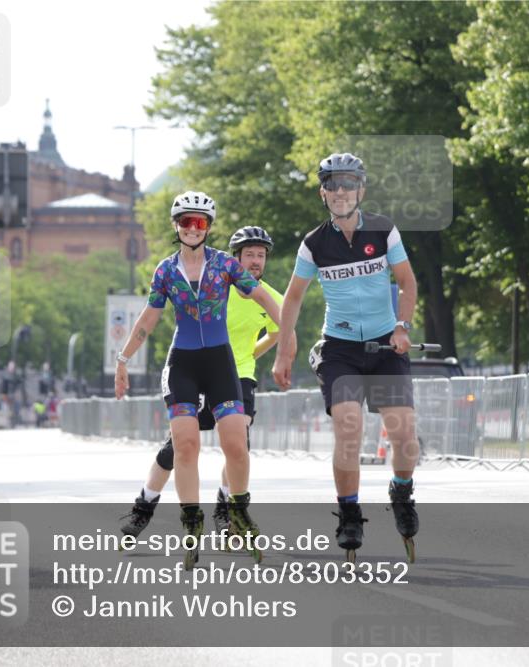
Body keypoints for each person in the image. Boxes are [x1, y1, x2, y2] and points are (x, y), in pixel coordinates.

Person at [115, 192, 281, 568]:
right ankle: (192, 522)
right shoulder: (166, 271)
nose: (193, 228)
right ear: (176, 226)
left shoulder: (224, 264)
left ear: (208, 227)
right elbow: (147, 321)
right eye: (186, 221)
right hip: (184, 363)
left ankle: (238, 510)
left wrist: (285, 337)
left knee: (237, 444)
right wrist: (122, 360)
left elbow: (265, 300)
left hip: (221, 363)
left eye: (200, 222)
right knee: (185, 446)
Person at [272, 153, 421, 562]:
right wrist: (285, 350)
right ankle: (350, 513)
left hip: (386, 344)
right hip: (340, 349)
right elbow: (294, 297)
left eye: (348, 184)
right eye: (332, 185)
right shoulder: (314, 244)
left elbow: (407, 282)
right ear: (323, 193)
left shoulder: (384, 231)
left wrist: (402, 327)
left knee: (405, 436)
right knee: (349, 429)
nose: (340, 192)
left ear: (361, 190)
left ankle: (401, 491)